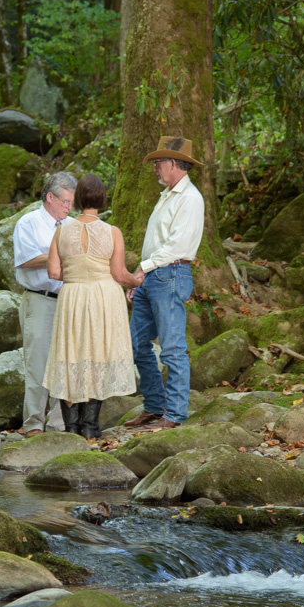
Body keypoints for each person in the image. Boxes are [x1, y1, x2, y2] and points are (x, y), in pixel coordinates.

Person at [42, 174, 144, 439]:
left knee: (71, 354)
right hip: (102, 296)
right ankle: (91, 428)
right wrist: (136, 280)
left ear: (77, 200)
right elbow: (120, 275)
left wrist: (77, 275)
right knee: (98, 352)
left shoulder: (61, 230)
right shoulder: (112, 232)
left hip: (73, 296)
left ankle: (71, 429)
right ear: (101, 199)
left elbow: (53, 272)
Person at [124, 136, 204, 431]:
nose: (155, 167)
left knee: (171, 349)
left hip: (170, 274)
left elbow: (175, 246)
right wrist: (141, 276)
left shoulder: (190, 198)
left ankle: (174, 414)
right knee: (136, 344)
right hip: (154, 274)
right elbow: (157, 244)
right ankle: (154, 407)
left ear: (173, 163)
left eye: (159, 162)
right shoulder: (167, 194)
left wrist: (140, 270)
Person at [13, 171, 77, 436]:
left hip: (69, 300)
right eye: (65, 202)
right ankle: (33, 425)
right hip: (40, 300)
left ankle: (59, 424)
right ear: (50, 197)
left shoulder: (73, 225)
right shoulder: (28, 223)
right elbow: (26, 259)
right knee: (38, 364)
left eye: (72, 203)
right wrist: (60, 254)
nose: (69, 207)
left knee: (65, 363)